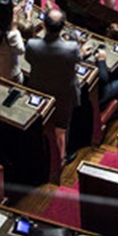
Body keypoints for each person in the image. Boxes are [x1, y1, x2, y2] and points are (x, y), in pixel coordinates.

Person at [26, 8, 81, 160]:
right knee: (62, 126)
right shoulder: (71, 47)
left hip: (39, 89)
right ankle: (61, 158)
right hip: (64, 93)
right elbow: (78, 59)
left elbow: (29, 60)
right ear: (63, 27)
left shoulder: (32, 44)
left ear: (43, 24)